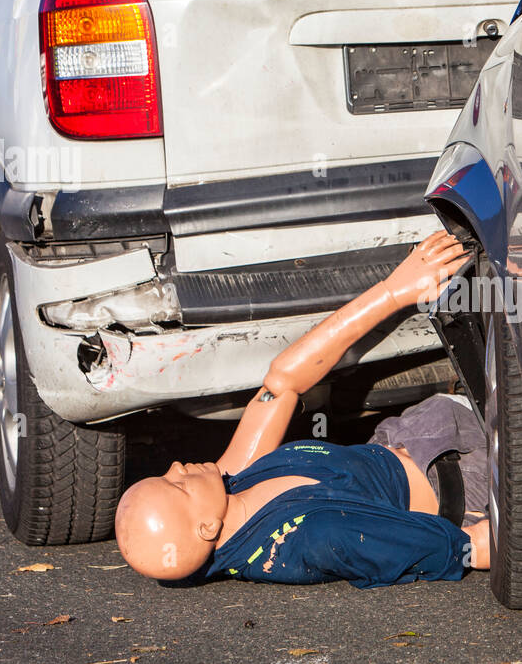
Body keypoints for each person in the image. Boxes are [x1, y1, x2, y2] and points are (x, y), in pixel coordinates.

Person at [115, 232, 492, 587]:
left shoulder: (232, 483)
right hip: (465, 473)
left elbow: (281, 384)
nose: (176, 467)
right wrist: (477, 547)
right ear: (207, 529)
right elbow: (461, 547)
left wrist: (395, 291)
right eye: (177, 486)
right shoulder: (311, 537)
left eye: (166, 474)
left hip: (418, 433)